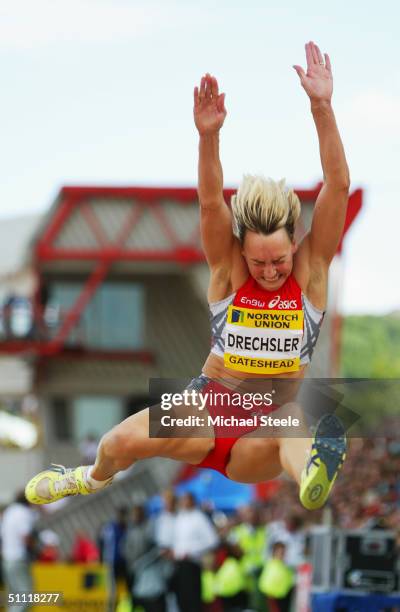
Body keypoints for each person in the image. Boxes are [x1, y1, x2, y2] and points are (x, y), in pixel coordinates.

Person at [25, 41, 347, 512]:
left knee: (294, 419)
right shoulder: (229, 270)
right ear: (242, 252)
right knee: (115, 445)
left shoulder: (312, 271)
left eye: (279, 260)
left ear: (295, 243)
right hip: (205, 410)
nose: (271, 271)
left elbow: (337, 186)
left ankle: (313, 477)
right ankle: (86, 479)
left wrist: (322, 106)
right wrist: (209, 137)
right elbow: (211, 203)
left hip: (264, 432)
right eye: (259, 262)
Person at [1, 491, 37, 612]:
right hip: (18, 558)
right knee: (25, 597)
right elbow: (25, 536)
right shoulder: (23, 512)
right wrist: (36, 547)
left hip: (7, 559)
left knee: (14, 598)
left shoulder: (10, 512)